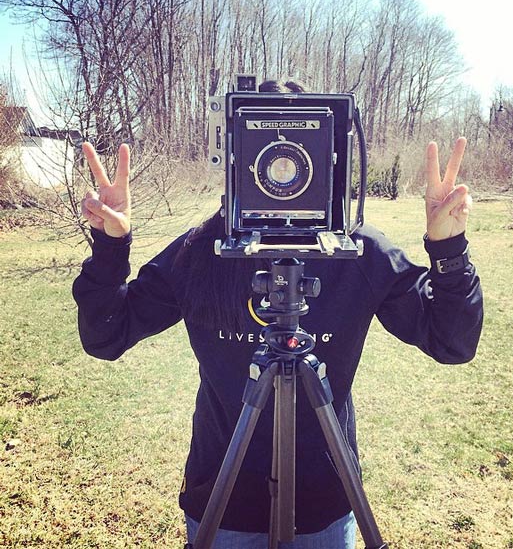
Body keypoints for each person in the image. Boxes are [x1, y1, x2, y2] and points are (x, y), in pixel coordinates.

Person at [72, 83, 483, 549]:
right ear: (233, 157)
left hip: (324, 501)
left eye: (299, 150)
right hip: (223, 500)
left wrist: (449, 251)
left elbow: (452, 342)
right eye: (264, 148)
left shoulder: (359, 252)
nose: (283, 173)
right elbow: (107, 337)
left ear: (332, 155)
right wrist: (109, 249)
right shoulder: (201, 252)